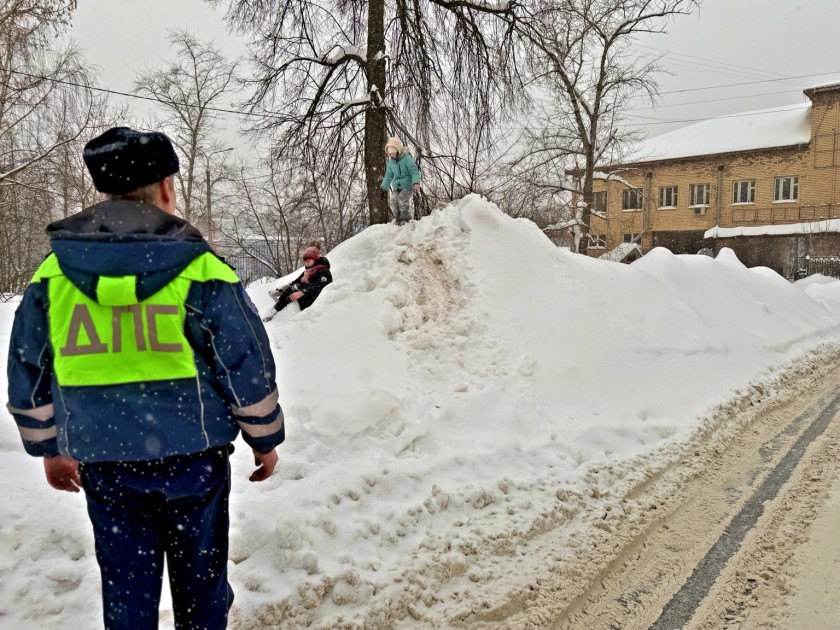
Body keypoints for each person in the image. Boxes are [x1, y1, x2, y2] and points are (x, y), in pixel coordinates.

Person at [5, 127, 285, 630]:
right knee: (202, 588)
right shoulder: (201, 270)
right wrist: (264, 438)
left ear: (107, 193)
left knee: (126, 591)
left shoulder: (54, 275)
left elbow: (29, 366)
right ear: (166, 189)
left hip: (106, 465)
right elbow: (243, 363)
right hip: (193, 462)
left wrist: (49, 448)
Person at [263, 241, 332, 321]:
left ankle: (278, 316)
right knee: (291, 288)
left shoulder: (323, 271)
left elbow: (321, 285)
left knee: (293, 290)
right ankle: (273, 312)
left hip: (311, 299)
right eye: (305, 262)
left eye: (308, 262)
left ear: (315, 260)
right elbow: (296, 281)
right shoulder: (307, 271)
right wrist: (281, 290)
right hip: (302, 294)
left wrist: (303, 292)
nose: (306, 264)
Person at [379, 136, 421, 225]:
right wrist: (383, 188)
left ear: (398, 151)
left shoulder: (407, 159)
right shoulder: (391, 162)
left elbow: (414, 171)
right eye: (390, 154)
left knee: (402, 198)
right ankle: (398, 219)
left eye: (393, 153)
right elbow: (388, 176)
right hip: (397, 186)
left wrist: (416, 182)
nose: (392, 156)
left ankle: (404, 219)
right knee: (394, 201)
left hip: (408, 186)